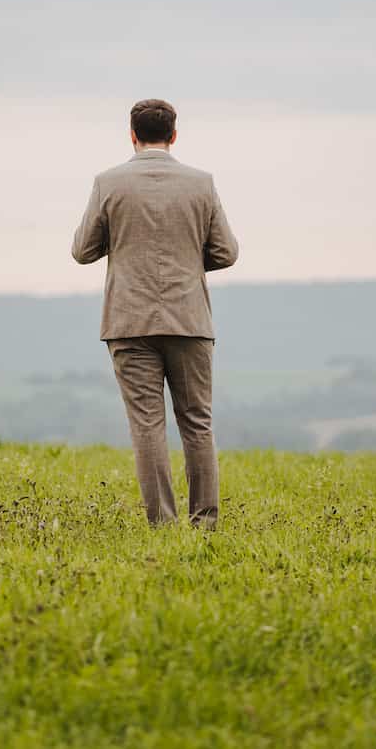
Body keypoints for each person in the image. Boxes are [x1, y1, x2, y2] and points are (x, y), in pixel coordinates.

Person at [71, 99, 239, 528]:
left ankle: (161, 526)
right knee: (198, 424)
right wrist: (185, 264)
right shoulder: (202, 184)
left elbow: (82, 251)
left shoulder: (108, 183)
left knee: (147, 427)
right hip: (190, 319)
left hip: (129, 322)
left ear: (131, 134)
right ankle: (205, 524)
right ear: (175, 135)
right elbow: (226, 252)